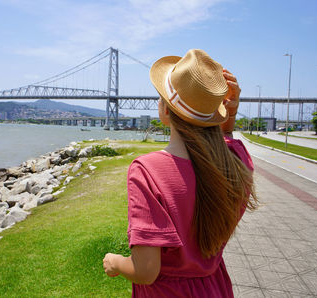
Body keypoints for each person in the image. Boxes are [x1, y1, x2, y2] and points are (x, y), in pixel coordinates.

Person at [103, 49, 258, 297]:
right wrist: (231, 114)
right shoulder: (236, 163)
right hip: (214, 287)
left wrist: (115, 262)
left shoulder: (147, 171)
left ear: (165, 110)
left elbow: (146, 270)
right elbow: (226, 140)